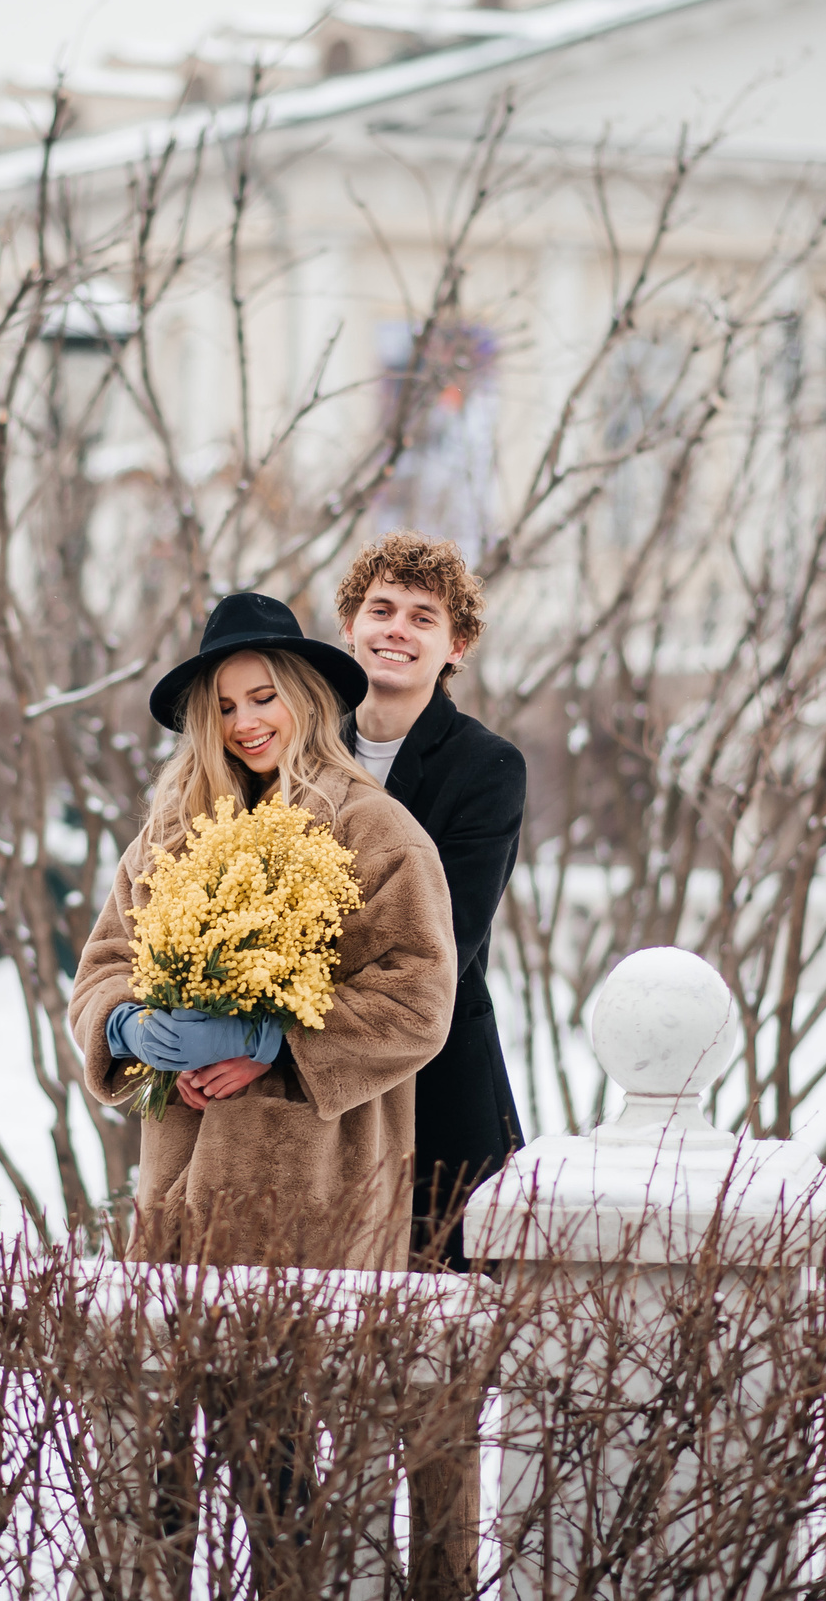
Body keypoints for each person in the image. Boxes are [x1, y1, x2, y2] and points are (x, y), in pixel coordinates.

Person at [69, 590, 458, 1273]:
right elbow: (102, 966)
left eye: (262, 696)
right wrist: (131, 1026)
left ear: (303, 698)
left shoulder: (375, 829)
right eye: (223, 707)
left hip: (320, 1202)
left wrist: (275, 1040)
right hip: (177, 1204)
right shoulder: (168, 834)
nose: (244, 721)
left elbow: (418, 1001)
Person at [334, 531, 527, 1274]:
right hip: (319, 1093)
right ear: (349, 624)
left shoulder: (488, 766)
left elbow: (444, 937)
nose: (397, 630)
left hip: (440, 1090)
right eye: (381, 609)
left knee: (445, 1338)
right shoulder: (303, 753)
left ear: (458, 644)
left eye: (423, 616)